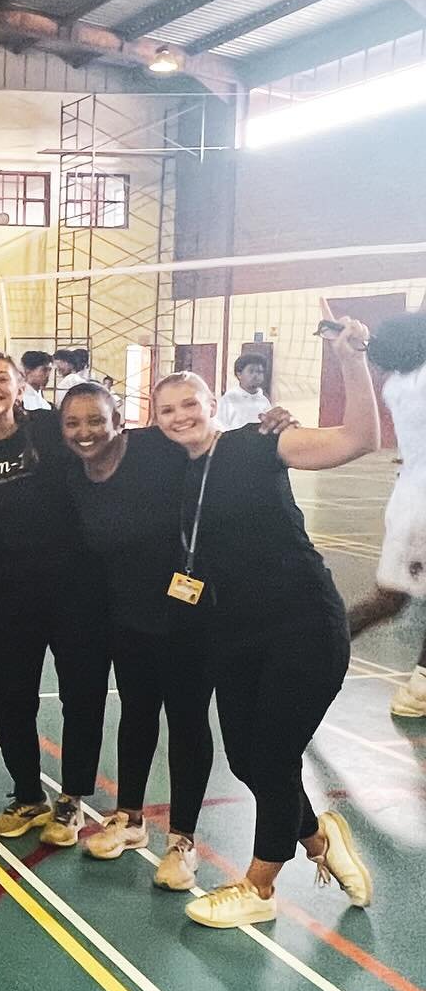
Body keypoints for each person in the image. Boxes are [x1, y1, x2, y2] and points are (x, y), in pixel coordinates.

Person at [152, 305, 376, 929]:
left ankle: (260, 884)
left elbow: (358, 439)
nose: (180, 417)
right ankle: (318, 836)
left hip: (302, 622)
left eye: (189, 404)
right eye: (167, 409)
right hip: (233, 632)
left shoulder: (260, 446)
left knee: (274, 755)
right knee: (249, 760)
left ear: (213, 403)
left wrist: (351, 362)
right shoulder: (174, 470)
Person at [58, 382, 214, 890]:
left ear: (119, 419)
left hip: (187, 614)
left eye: (96, 420)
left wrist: (267, 426)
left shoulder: (156, 448)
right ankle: (130, 817)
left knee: (187, 722)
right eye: (74, 423)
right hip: (126, 615)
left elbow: (210, 443)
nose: (86, 432)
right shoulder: (75, 474)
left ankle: (183, 841)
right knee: (137, 714)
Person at [0, 351, 109, 848]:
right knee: (9, 695)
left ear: (20, 387)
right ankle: (28, 795)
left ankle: (72, 799)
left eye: (4, 378)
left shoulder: (48, 429)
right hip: (7, 588)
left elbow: (109, 442)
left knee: (80, 694)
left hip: (76, 585)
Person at [346, 310, 426, 717]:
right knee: (390, 599)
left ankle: (420, 688)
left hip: (410, 502)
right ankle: (319, 651)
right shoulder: (419, 383)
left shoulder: (398, 383)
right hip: (421, 512)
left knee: (393, 599)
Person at [216, 354, 273, 430]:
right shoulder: (228, 400)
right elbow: (219, 427)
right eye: (251, 371)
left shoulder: (264, 401)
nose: (256, 375)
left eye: (259, 372)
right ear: (239, 374)